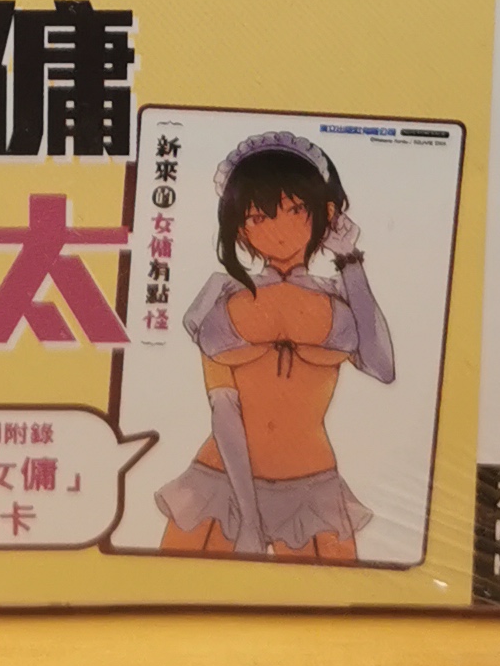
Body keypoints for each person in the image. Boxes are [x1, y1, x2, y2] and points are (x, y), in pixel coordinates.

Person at [155, 133, 394, 561]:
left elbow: (382, 366)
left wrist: (350, 260)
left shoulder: (342, 293)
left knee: (327, 602)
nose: (279, 230)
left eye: (295, 210)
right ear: (240, 228)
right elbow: (224, 409)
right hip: (220, 483)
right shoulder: (221, 294)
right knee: (177, 594)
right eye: (258, 217)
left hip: (312, 487)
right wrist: (249, 517)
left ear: (326, 213)